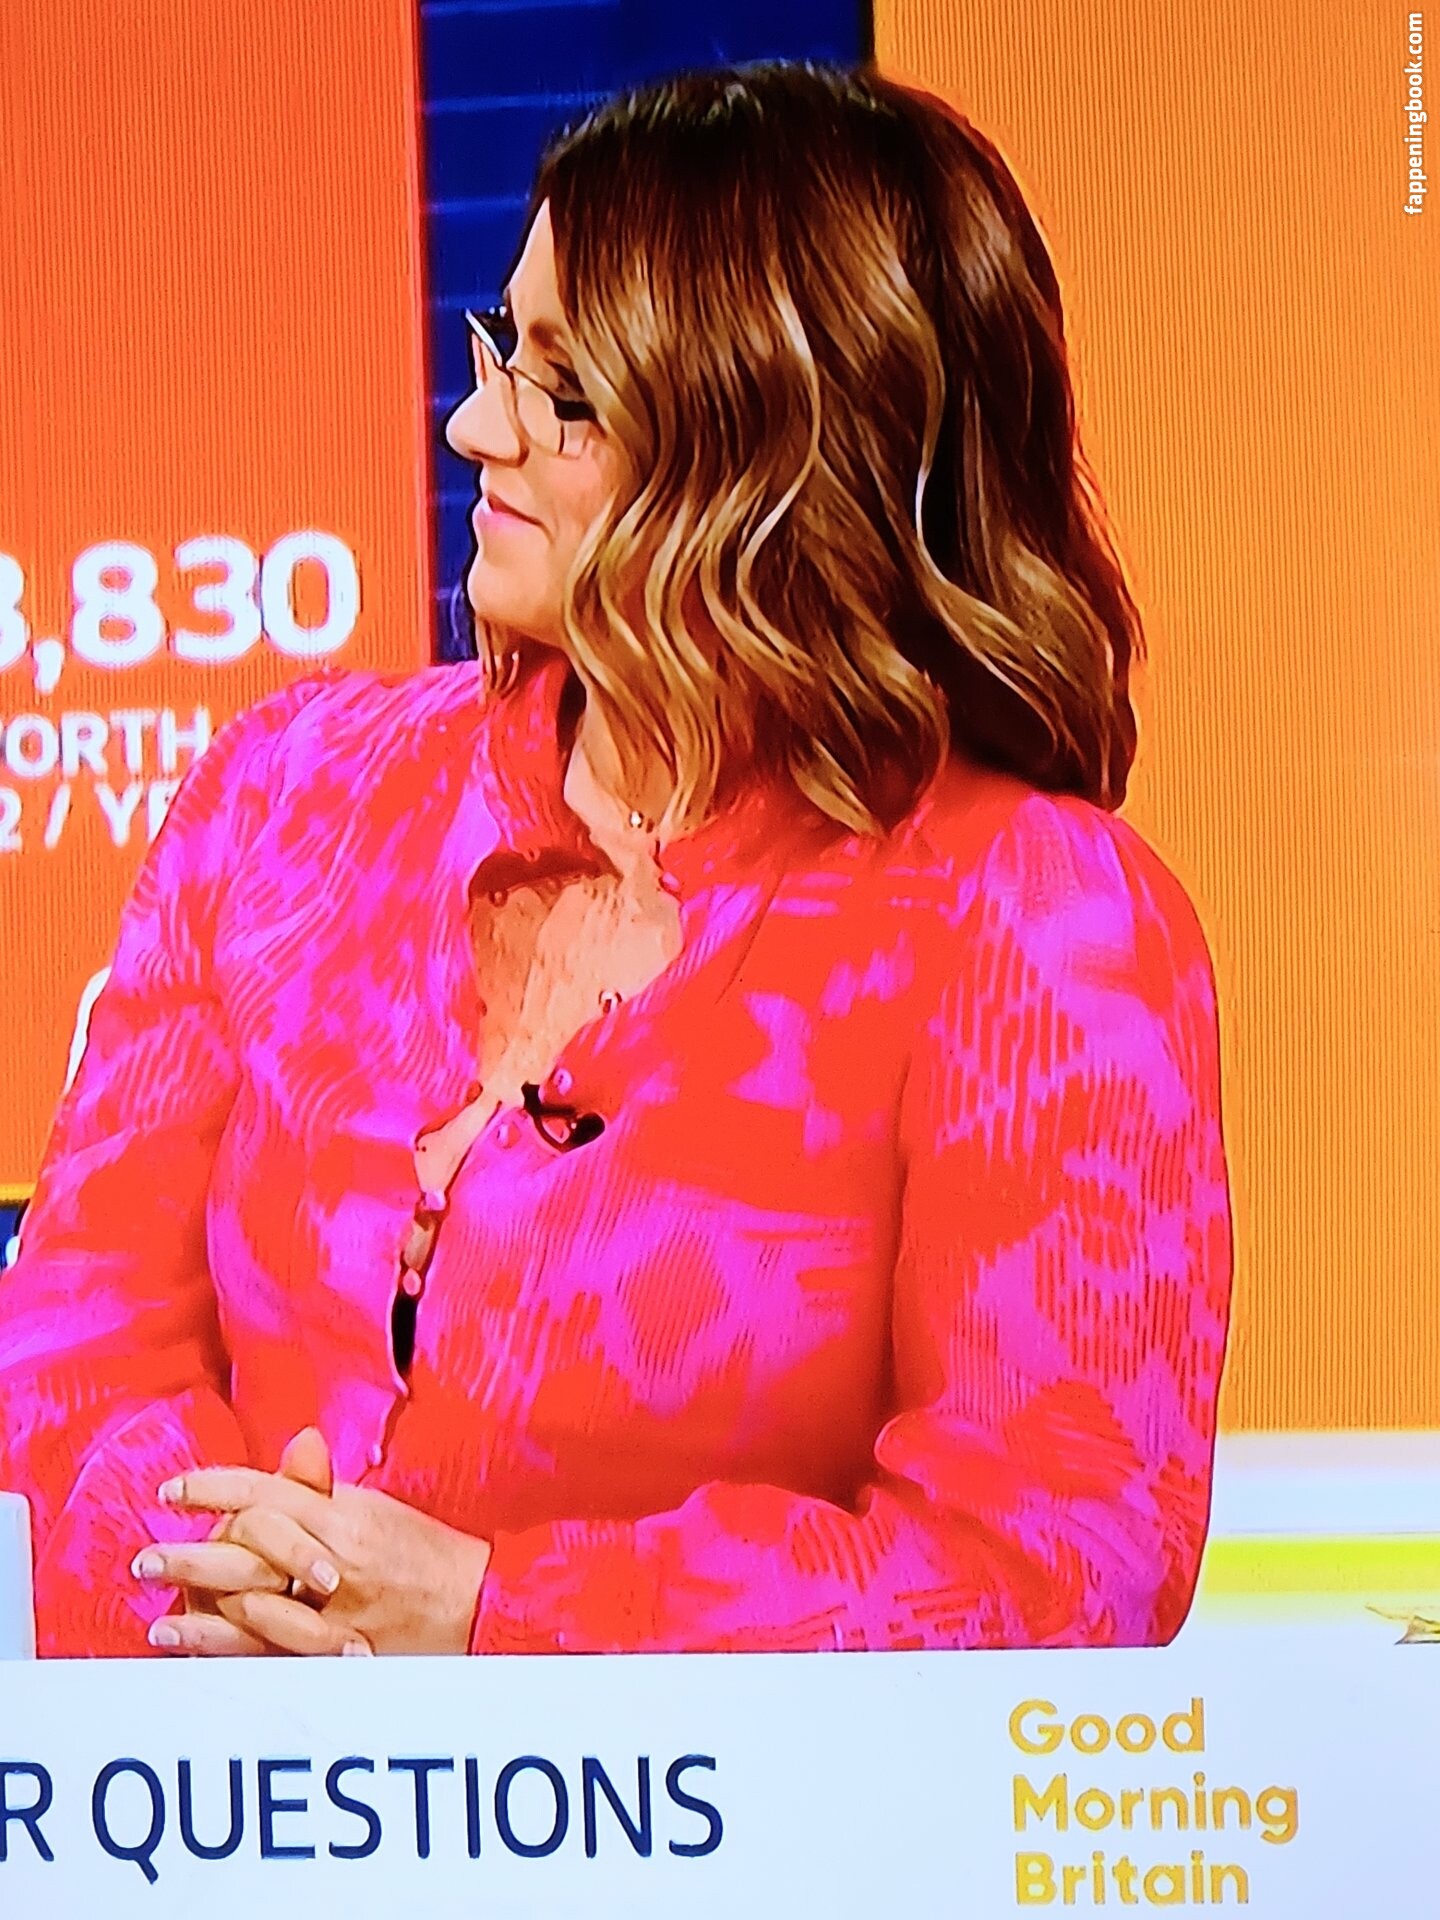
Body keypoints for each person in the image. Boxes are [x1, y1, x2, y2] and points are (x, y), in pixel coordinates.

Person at [0, 60, 1232, 1659]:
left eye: (566, 393)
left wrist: (494, 1626)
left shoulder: (1038, 923)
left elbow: (1047, 1569)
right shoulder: (288, 795)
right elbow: (79, 1339)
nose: (473, 426)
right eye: (504, 346)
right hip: (225, 1787)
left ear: (780, 463)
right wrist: (217, 1600)